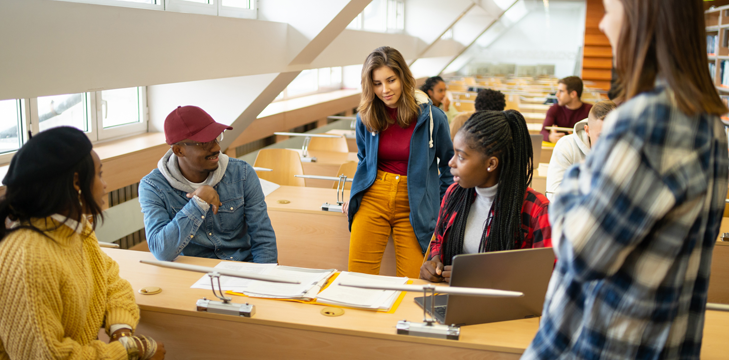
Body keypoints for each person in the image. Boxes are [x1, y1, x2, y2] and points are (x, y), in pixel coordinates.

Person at [524, 0, 729, 358]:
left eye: (611, 9)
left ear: (640, 16)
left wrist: (577, 177)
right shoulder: (708, 122)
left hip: (601, 344)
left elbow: (579, 252)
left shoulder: (647, 122)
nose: (604, 25)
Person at [0, 127, 165, 359]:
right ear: (76, 182)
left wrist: (122, 332)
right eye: (99, 174)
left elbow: (109, 280)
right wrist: (130, 350)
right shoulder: (29, 257)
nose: (104, 184)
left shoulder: (73, 228)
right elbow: (49, 355)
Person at [344, 46, 454, 278]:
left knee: (414, 281)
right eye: (377, 83)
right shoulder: (365, 116)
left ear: (403, 76)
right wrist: (355, 193)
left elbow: (448, 165)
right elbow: (364, 160)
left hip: (415, 204)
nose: (385, 90)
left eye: (391, 80)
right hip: (373, 198)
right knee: (358, 278)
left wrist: (440, 202)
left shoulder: (434, 117)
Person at [420, 110, 552, 283]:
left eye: (461, 157)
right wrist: (434, 261)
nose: (451, 163)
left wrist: (478, 279)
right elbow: (438, 240)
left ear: (491, 164)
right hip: (448, 298)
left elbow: (545, 277)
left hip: (505, 308)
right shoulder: (454, 194)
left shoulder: (537, 210)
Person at [139, 106, 277, 263]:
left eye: (216, 138)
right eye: (204, 143)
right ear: (179, 151)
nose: (217, 148)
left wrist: (263, 278)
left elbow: (263, 238)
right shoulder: (153, 186)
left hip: (241, 267)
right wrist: (198, 204)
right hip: (192, 273)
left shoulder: (242, 173)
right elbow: (161, 251)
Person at [545, 100, 616, 200]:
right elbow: (554, 195)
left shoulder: (626, 149)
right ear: (587, 130)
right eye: (600, 136)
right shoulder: (566, 146)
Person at [540, 76, 593, 143]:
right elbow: (543, 132)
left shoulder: (590, 111)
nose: (557, 95)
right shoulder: (554, 109)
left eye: (561, 91)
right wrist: (550, 137)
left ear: (573, 94)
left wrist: (581, 138)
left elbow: (597, 134)